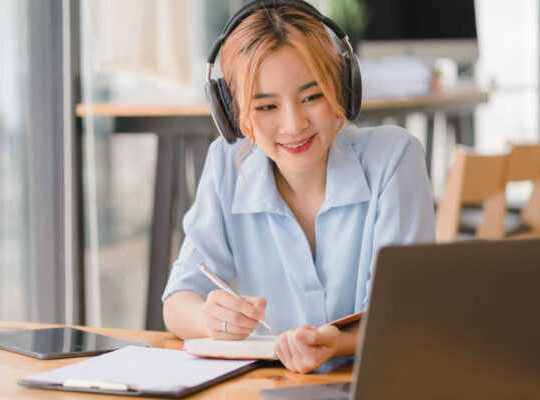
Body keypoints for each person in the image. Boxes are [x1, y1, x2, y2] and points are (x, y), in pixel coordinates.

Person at [162, 0, 435, 374]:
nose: (293, 125)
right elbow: (177, 301)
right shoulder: (227, 164)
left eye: (311, 97)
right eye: (266, 107)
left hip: (378, 381)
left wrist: (337, 343)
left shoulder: (395, 158)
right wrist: (212, 319)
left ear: (341, 88)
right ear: (233, 115)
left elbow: (407, 311)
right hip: (277, 387)